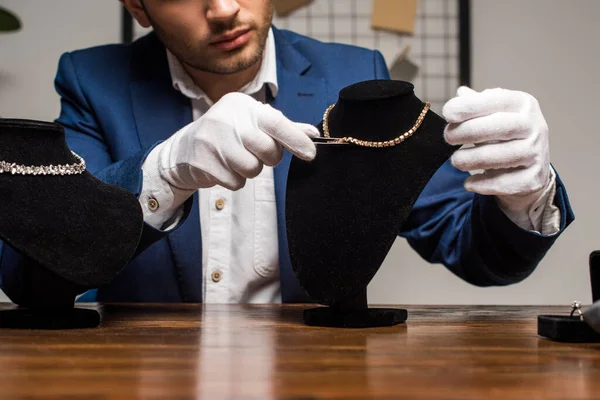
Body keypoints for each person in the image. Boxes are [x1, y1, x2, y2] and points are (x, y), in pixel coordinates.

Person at [0, 0, 574, 303]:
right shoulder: (92, 80)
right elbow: (31, 277)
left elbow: (479, 256)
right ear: (138, 5)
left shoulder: (354, 74)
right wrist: (165, 172)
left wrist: (522, 193)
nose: (224, 8)